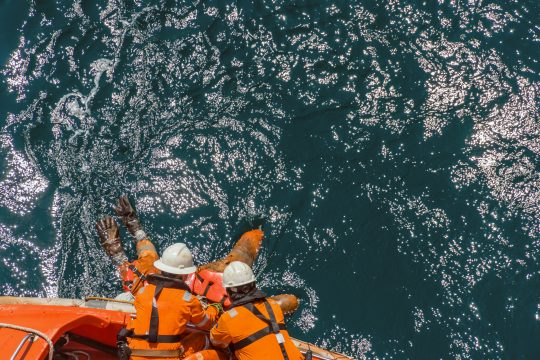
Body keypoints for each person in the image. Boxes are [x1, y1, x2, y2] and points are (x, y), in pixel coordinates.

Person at [96, 196, 299, 314]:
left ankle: (131, 229)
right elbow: (290, 301)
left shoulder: (148, 288)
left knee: (136, 265)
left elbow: (290, 301)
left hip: (195, 289)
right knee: (237, 259)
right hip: (203, 290)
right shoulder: (217, 291)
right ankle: (258, 229)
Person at [118, 242, 221, 360]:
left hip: (135, 356)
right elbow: (205, 323)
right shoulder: (188, 300)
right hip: (168, 358)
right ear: (185, 275)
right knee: (201, 338)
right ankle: (226, 355)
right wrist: (214, 308)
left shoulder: (142, 293)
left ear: (161, 269)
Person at [208, 261, 304, 360]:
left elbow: (216, 342)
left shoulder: (227, 319)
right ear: (253, 284)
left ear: (229, 291)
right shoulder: (273, 305)